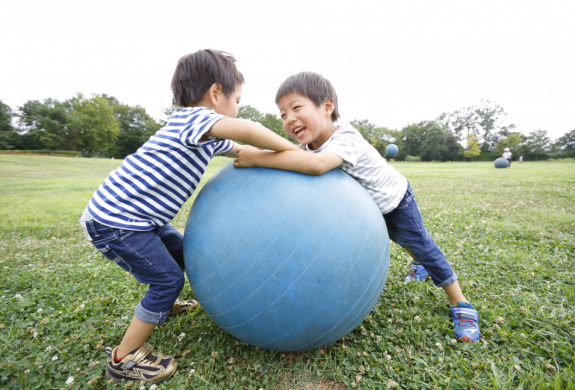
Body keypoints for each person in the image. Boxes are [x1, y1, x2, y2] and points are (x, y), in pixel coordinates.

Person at [79, 49, 298, 384]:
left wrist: (285, 162)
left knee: (184, 254)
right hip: (117, 222)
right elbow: (248, 132)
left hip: (139, 221)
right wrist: (295, 149)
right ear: (215, 94)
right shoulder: (195, 120)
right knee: (167, 279)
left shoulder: (205, 135)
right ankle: (123, 360)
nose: (238, 107)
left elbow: (243, 150)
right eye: (236, 99)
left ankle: (162, 307)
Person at [234, 72, 481, 342]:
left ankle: (461, 304)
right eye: (282, 115)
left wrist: (258, 158)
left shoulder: (345, 137)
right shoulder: (310, 144)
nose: (289, 119)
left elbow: (315, 166)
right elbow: (295, 155)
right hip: (370, 210)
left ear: (327, 107)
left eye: (296, 108)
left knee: (421, 245)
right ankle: (419, 265)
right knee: (400, 240)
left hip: (396, 200)